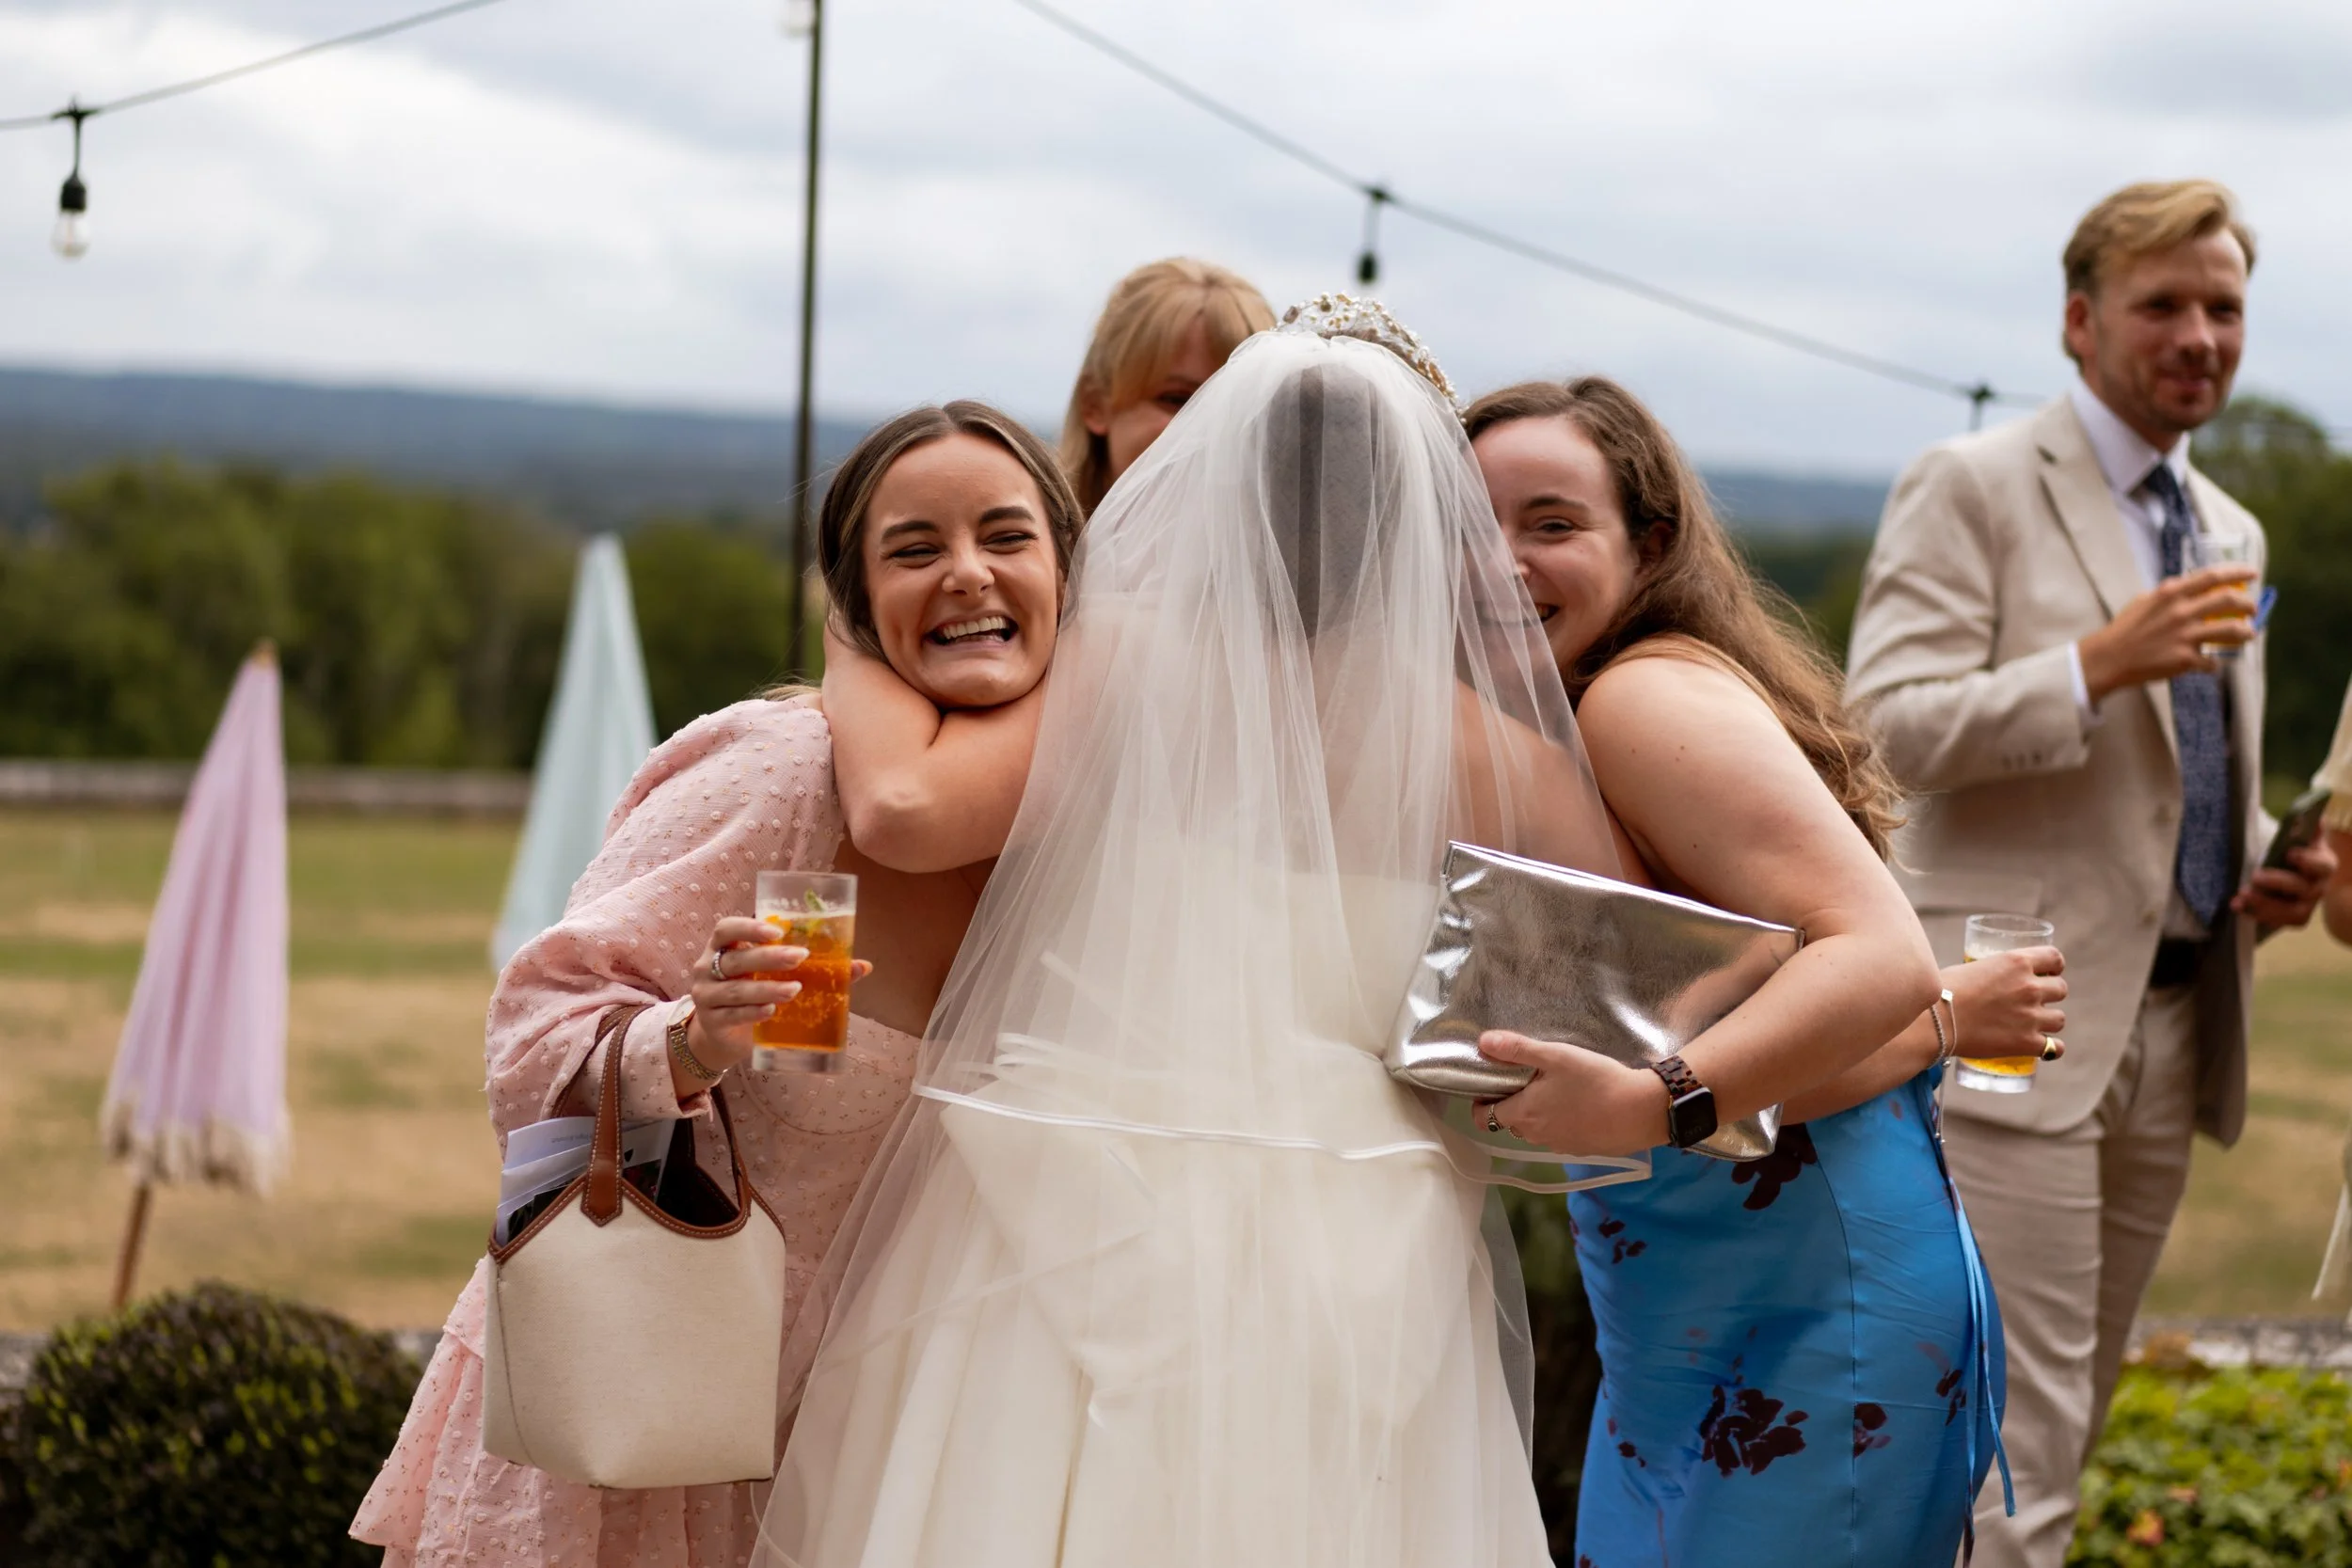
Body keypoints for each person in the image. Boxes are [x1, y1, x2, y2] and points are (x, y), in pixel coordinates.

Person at [754, 301, 1619, 1568]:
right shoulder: (1503, 760)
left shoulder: (1120, 666)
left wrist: (851, 630)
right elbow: (1618, 970)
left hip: (1077, 1186)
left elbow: (911, 812)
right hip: (1372, 1231)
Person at [350, 402, 1083, 1568]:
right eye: (913, 547)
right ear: (854, 601)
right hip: (650, 1423)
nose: (965, 572)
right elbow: (535, 1031)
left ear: (1066, 572)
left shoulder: (1083, 834)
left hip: (892, 1460)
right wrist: (692, 1042)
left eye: (1004, 535)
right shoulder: (789, 776)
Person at [1845, 179, 2338, 1567]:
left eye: (2223, 307)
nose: (2200, 335)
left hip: (2179, 1026)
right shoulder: (1972, 485)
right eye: (2162, 304)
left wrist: (2265, 865)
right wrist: (2092, 664)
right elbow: (1881, 728)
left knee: (2071, 1416)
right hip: (2018, 1017)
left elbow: (2177, 785)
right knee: (2012, 1443)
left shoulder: (2228, 525)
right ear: (2079, 321)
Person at [1460, 375, 2013, 1566]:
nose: (1500, 562)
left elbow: (1880, 952)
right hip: (1690, 1311)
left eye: (1551, 524)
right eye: (1468, 524)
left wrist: (1650, 1099)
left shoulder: (1635, 696)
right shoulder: (1553, 717)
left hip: (1810, 1301)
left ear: (1649, 544)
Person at [1057, 256, 1274, 515]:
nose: (1211, 433)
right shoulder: (1032, 537)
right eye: (1178, 400)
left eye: (1239, 406)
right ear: (1094, 405)